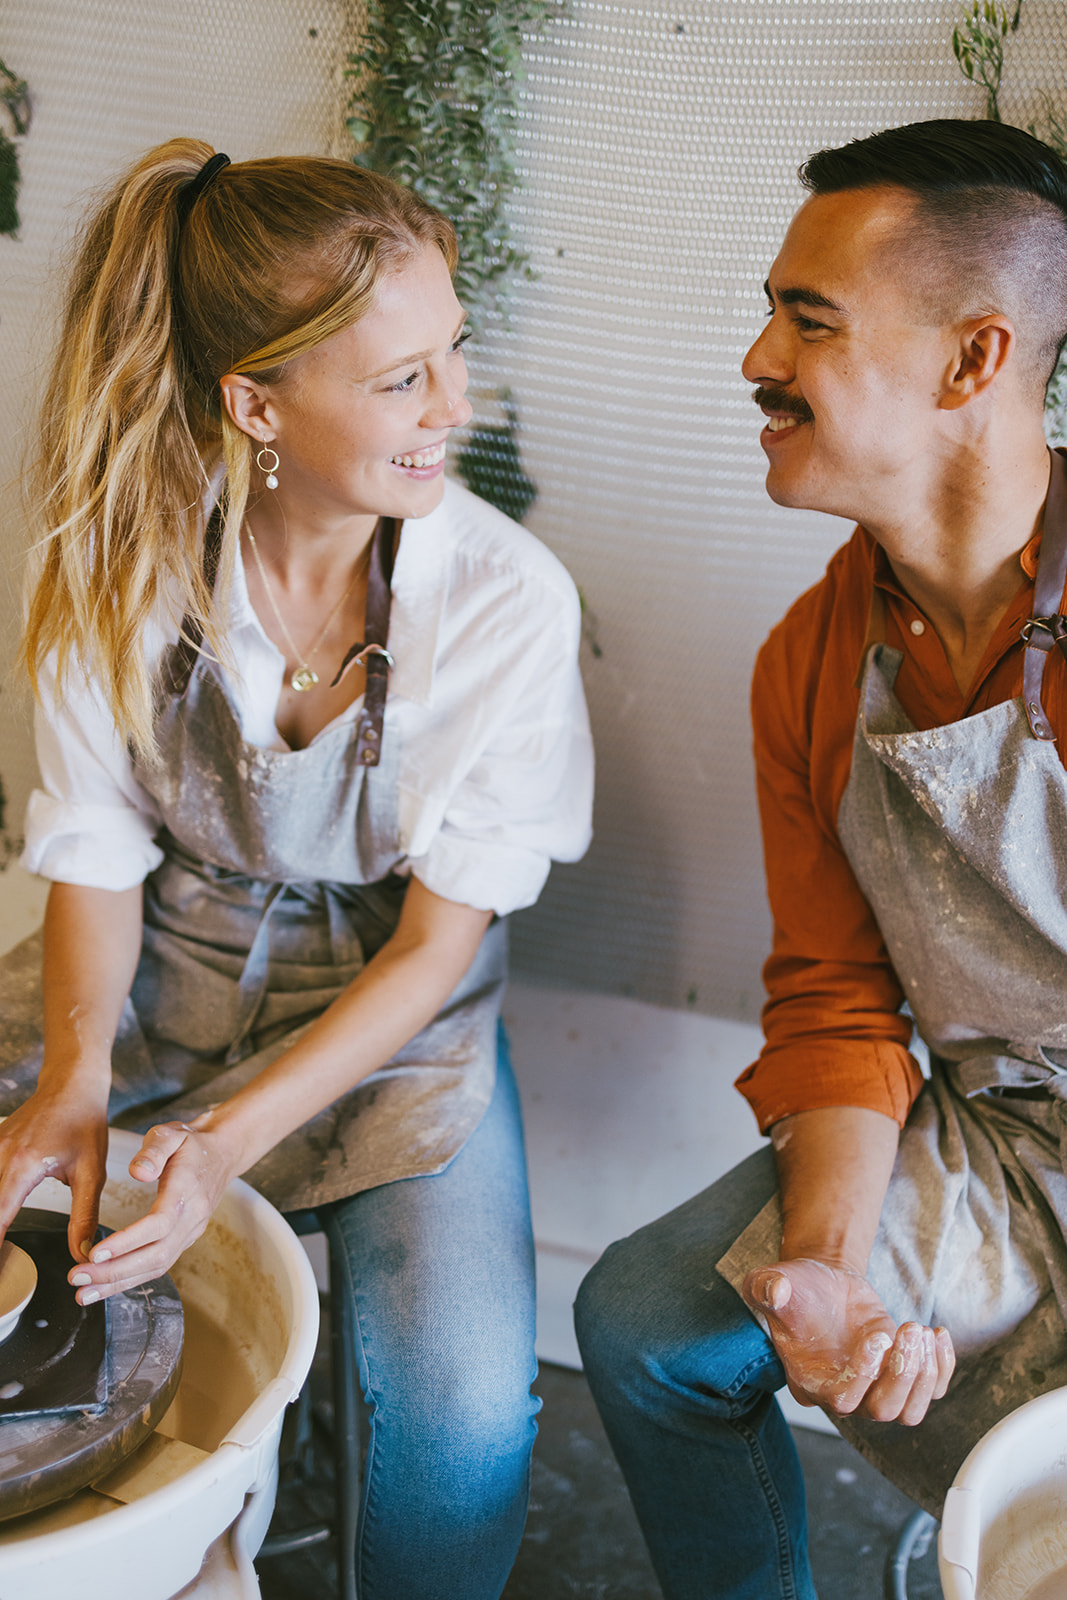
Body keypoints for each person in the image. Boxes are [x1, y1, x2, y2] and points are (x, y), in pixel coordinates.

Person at [0, 138, 593, 1597]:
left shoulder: (509, 606)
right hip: (156, 953)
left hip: (393, 1001)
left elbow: (435, 953)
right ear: (255, 404)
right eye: (405, 381)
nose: (457, 406)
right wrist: (75, 1083)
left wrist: (218, 1146)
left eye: (453, 354)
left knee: (458, 1431)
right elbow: (91, 863)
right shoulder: (114, 563)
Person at [575, 117, 1067, 1599]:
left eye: (807, 319)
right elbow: (842, 1009)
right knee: (652, 1326)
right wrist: (831, 1275)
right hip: (997, 1133)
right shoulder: (809, 662)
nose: (754, 361)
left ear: (973, 361)